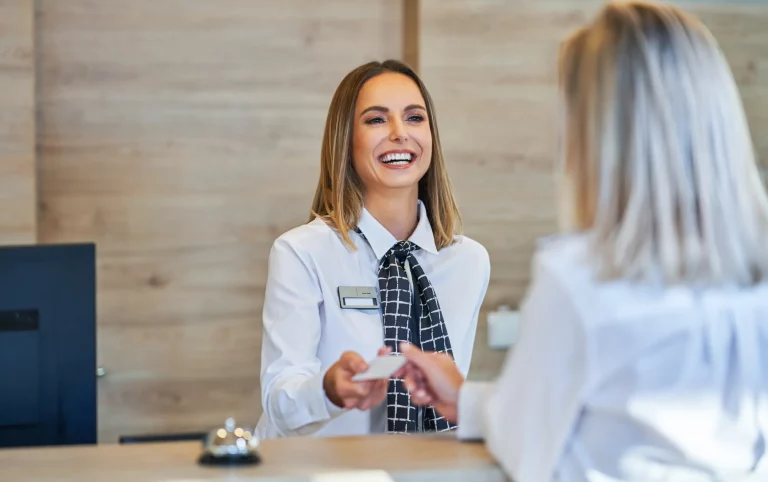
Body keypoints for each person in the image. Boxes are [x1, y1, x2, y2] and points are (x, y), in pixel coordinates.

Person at [398, 2, 768, 481]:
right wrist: (466, 399)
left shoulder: (580, 277)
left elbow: (526, 447)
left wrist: (469, 400)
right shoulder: (753, 274)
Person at [255, 60, 491, 438]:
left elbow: (451, 396)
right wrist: (328, 390)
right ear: (346, 141)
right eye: (377, 120)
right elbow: (279, 403)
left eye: (414, 118)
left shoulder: (469, 261)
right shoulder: (301, 253)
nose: (400, 134)